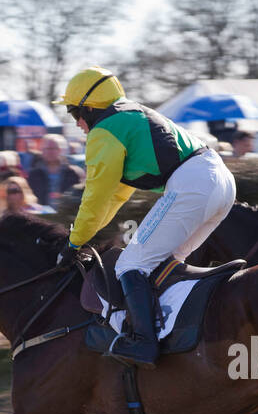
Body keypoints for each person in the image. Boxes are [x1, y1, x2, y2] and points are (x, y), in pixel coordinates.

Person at [55, 66, 236, 369]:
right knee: (162, 264)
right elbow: (116, 196)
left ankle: (143, 344)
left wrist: (75, 242)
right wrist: (85, 235)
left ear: (89, 108)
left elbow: (96, 196)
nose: (77, 125)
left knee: (131, 263)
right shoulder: (129, 116)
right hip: (221, 182)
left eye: (75, 114)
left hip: (194, 184)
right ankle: (178, 335)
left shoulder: (104, 131)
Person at [25, 134, 82, 210]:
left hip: (66, 216)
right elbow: (28, 196)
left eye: (53, 148)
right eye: (47, 148)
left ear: (60, 150)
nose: (50, 152)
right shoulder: (33, 174)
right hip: (41, 216)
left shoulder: (73, 172)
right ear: (42, 150)